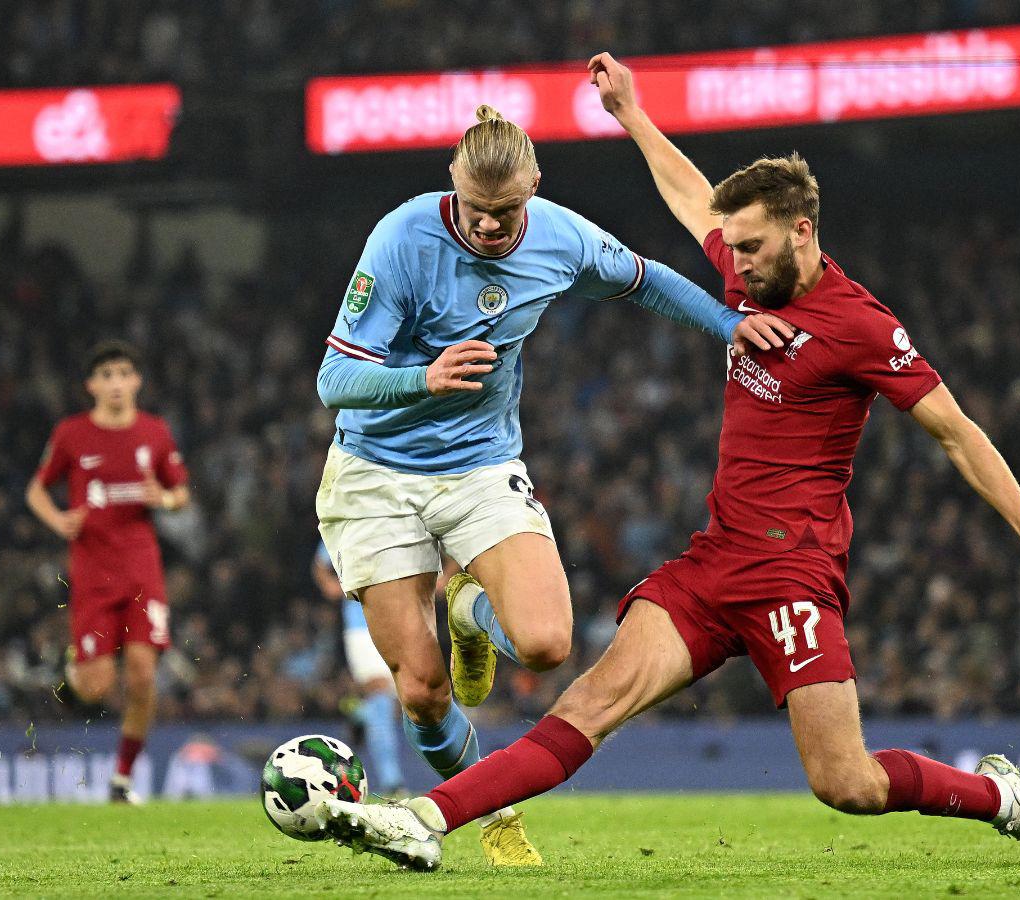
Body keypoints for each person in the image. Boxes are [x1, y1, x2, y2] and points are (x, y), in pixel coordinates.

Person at [314, 54, 1020, 870]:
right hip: (714, 563)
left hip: (793, 575)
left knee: (847, 782)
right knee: (587, 703)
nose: (734, 264)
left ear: (802, 231)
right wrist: (631, 115)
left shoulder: (861, 326)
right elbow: (692, 198)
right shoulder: (750, 281)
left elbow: (955, 430)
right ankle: (424, 818)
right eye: (732, 248)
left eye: (750, 248)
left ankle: (1000, 796)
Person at [312, 105, 789, 865]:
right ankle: (494, 817)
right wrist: (422, 378)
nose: (489, 225)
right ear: (453, 182)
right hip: (376, 474)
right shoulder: (401, 239)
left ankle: (468, 610)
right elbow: (334, 380)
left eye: (505, 211)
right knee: (424, 690)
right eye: (475, 208)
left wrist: (728, 326)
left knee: (544, 645)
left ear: (533, 187)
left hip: (479, 465)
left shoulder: (561, 238)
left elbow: (646, 280)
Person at [26, 340, 189, 804]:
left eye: (123, 373)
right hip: (93, 573)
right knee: (96, 688)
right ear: (91, 385)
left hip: (141, 571)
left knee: (142, 676)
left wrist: (165, 499)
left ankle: (121, 779)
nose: (116, 382)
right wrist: (59, 520)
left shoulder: (155, 432)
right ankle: (73, 667)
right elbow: (36, 490)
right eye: (106, 375)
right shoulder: (72, 433)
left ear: (136, 380)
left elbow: (181, 494)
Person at [312, 541, 407, 795]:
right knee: (380, 696)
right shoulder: (348, 524)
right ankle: (392, 781)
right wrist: (329, 585)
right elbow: (320, 563)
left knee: (403, 703)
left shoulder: (404, 522)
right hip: (362, 626)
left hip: (405, 622)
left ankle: (358, 715)